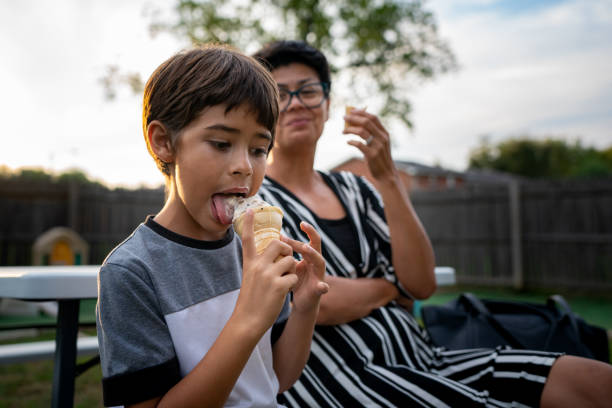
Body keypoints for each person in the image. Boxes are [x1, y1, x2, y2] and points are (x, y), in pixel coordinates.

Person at [253, 40, 612, 408]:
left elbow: (420, 283)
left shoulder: (357, 188)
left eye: (309, 91)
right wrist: (387, 289)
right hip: (341, 379)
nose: (296, 102)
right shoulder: (258, 202)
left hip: (422, 356)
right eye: (280, 94)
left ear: (327, 104)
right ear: (265, 112)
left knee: (596, 381)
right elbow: (319, 300)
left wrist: (388, 176)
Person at [95, 44, 329, 407]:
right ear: (163, 142)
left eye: (258, 150)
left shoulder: (255, 250)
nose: (245, 167)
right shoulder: (133, 272)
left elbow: (280, 376)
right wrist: (247, 319)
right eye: (221, 143)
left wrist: (305, 305)